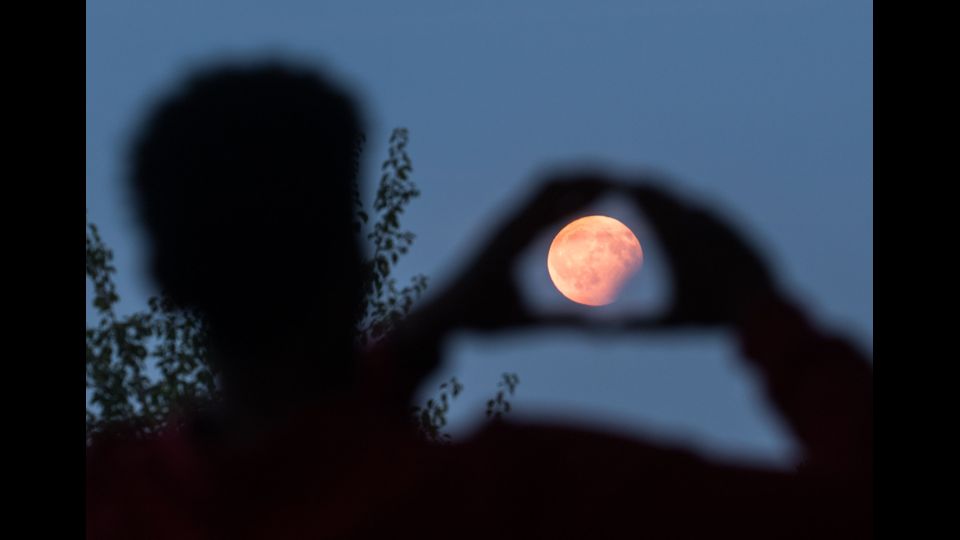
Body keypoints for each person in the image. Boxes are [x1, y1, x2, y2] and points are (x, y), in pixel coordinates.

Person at [86, 62, 872, 539]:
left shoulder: (115, 502)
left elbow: (285, 477)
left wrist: (422, 338)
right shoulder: (530, 501)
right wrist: (764, 315)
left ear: (168, 276)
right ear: (355, 266)